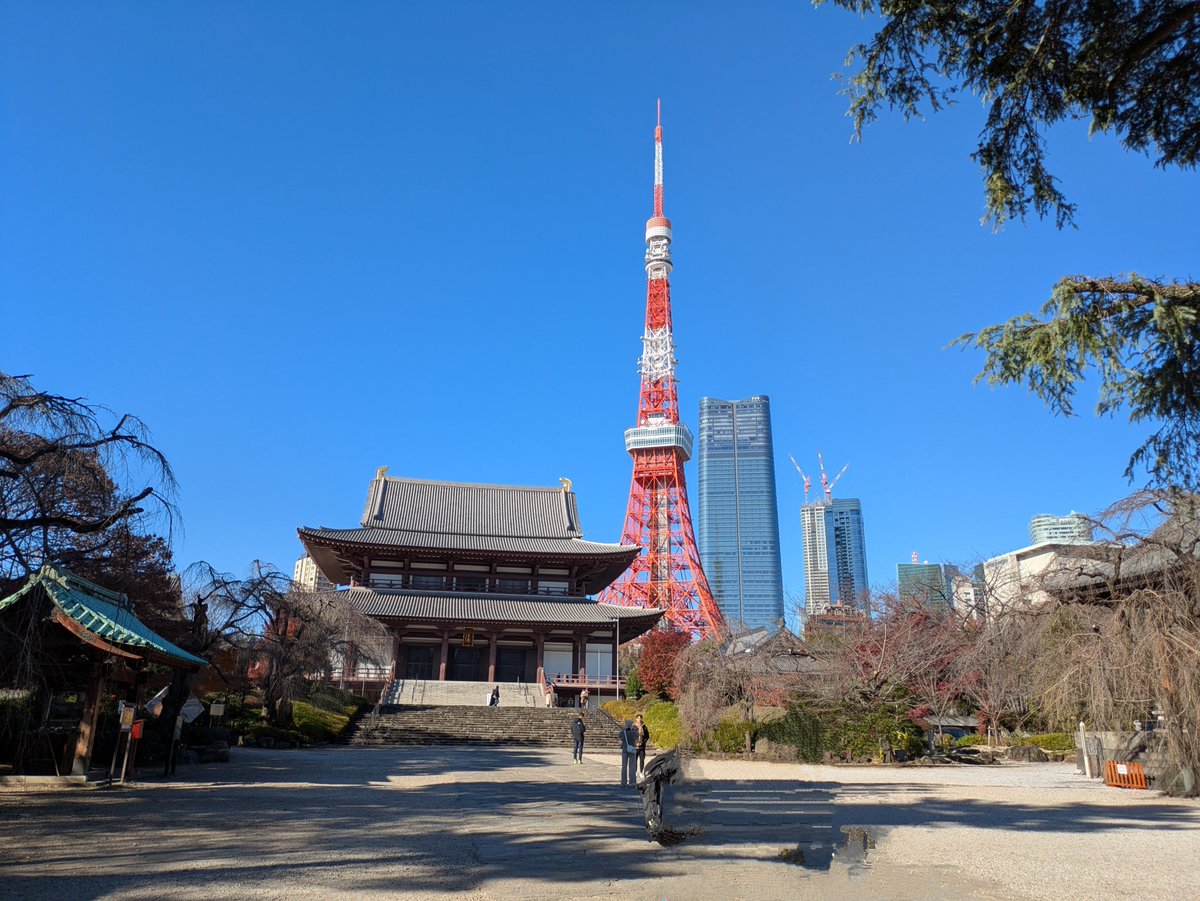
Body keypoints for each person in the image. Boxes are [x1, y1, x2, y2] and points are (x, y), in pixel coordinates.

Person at [620, 719, 640, 788]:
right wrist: (635, 729)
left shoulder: (623, 732)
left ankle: (623, 782)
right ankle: (632, 782)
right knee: (632, 767)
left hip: (625, 750)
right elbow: (637, 737)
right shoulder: (634, 732)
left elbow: (620, 737)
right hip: (632, 750)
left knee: (624, 766)